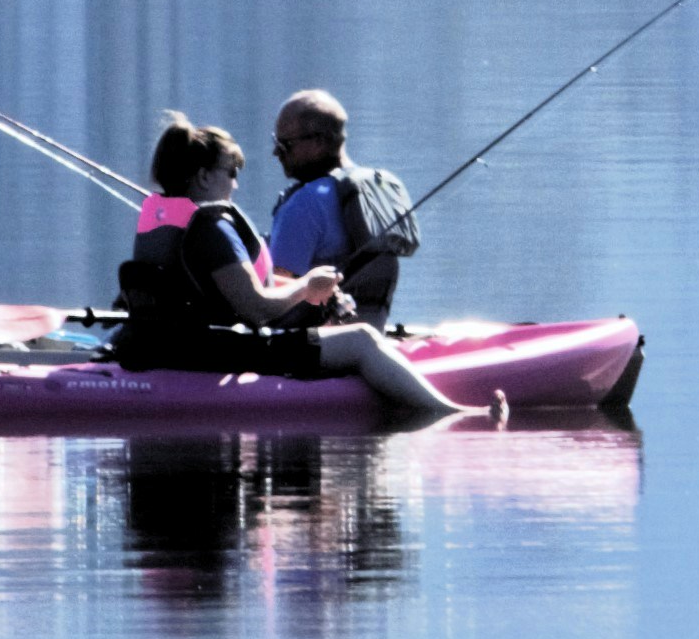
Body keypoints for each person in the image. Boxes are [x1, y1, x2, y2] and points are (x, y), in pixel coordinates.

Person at [115, 115, 468, 418]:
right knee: (362, 339)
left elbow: (232, 293)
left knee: (336, 325)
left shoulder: (166, 222)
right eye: (231, 171)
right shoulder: (212, 229)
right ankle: (455, 415)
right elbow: (255, 310)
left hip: (174, 344)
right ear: (205, 177)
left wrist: (309, 294)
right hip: (220, 351)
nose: (235, 183)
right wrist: (306, 287)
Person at [257, 89, 408, 321]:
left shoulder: (304, 205)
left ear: (318, 142)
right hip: (370, 328)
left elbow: (272, 297)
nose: (276, 151)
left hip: (315, 344)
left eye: (285, 144)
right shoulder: (382, 188)